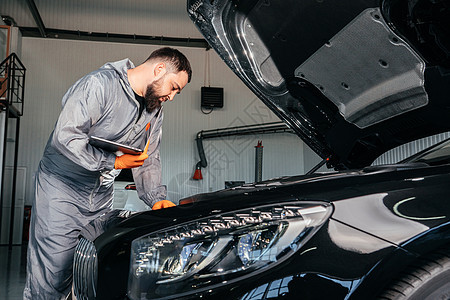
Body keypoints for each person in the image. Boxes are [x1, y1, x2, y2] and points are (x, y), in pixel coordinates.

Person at [23, 47, 192, 299]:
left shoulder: (154, 109)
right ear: (159, 70)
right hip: (61, 190)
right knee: (53, 274)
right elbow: (66, 138)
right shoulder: (99, 85)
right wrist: (114, 162)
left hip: (100, 195)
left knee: (92, 270)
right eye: (174, 86)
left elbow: (149, 157)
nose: (173, 95)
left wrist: (156, 198)